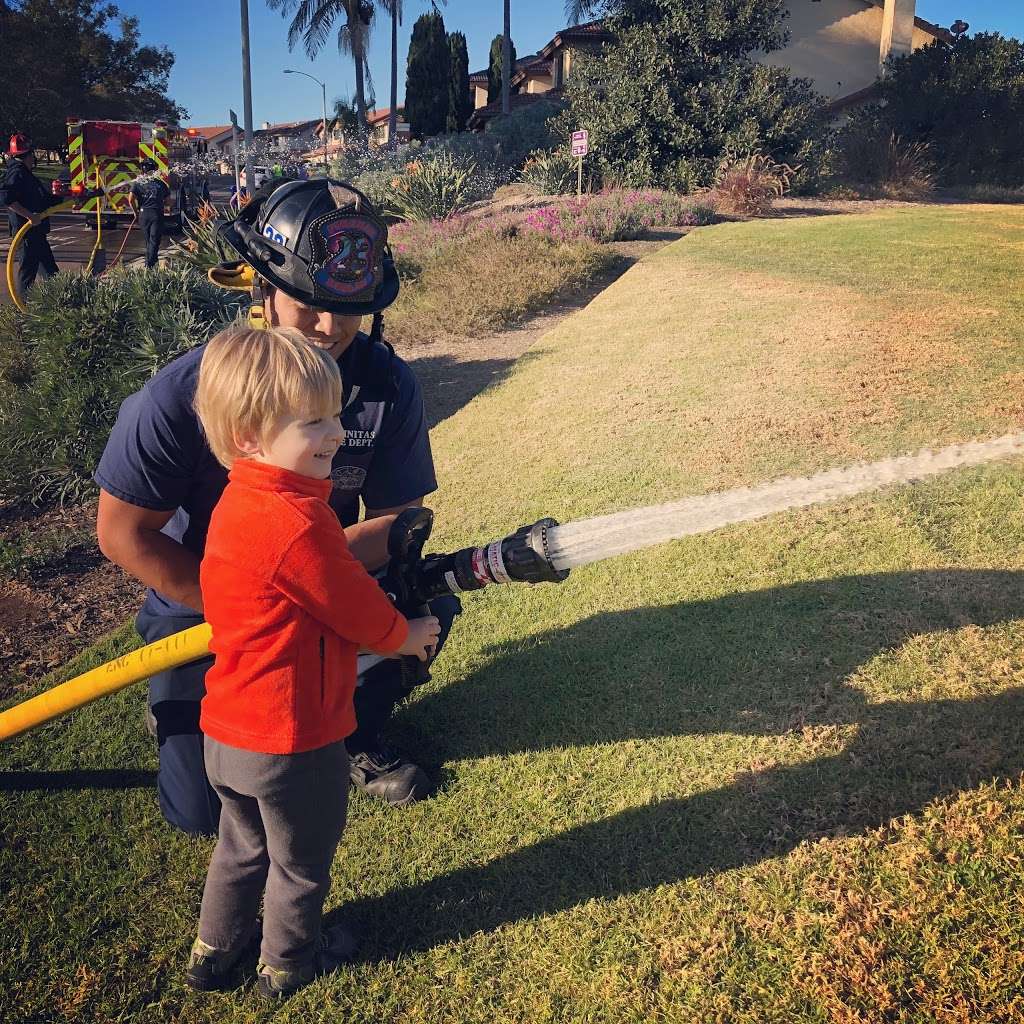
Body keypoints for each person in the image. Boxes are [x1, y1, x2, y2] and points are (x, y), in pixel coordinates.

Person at [94, 177, 461, 837]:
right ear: (263, 290)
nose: (328, 327)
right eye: (309, 302)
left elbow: (400, 516)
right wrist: (245, 601)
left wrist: (314, 587)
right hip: (199, 608)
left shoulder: (386, 384)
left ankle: (351, 733)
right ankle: (182, 707)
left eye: (347, 307)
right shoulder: (177, 397)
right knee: (205, 815)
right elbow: (123, 535)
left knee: (425, 605)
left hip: (321, 579)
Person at [183, 325, 440, 999]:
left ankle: (213, 952)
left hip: (227, 733)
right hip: (291, 740)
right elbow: (353, 607)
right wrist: (405, 633)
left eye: (335, 414)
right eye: (313, 421)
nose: (335, 433)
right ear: (248, 436)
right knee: (299, 863)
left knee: (240, 849)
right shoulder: (297, 522)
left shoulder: (238, 504)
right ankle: (289, 961)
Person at [0, 133, 60, 296]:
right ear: (28, 154)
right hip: (26, 235)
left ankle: (61, 306)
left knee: (52, 274)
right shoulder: (17, 173)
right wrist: (29, 216)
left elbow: (43, 200)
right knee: (27, 277)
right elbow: (6, 198)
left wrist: (67, 198)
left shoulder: (26, 175)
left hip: (36, 235)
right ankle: (23, 314)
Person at [129, 159, 170, 269]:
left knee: (149, 241)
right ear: (155, 169)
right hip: (156, 214)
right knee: (154, 241)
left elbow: (130, 199)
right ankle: (150, 265)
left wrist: (136, 213)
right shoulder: (161, 184)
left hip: (144, 215)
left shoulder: (137, 183)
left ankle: (152, 262)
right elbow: (168, 200)